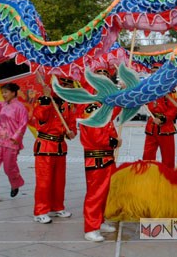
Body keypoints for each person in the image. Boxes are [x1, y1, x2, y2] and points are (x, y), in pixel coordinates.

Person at [32, 78, 78, 224]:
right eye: (63, 85)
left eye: (67, 86)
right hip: (45, 146)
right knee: (44, 181)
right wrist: (46, 97)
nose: (66, 88)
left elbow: (71, 124)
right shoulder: (43, 101)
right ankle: (40, 211)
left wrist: (71, 133)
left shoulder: (66, 105)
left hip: (60, 147)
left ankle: (57, 206)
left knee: (59, 181)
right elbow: (40, 116)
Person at [80, 101, 121, 242]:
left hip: (106, 157)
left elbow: (112, 113)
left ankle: (99, 221)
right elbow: (96, 135)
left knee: (105, 193)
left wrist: (124, 96)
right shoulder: (92, 108)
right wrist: (114, 142)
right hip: (97, 158)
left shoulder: (102, 107)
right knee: (95, 194)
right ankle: (91, 228)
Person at [143, 64, 177, 169]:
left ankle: (168, 180)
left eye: (156, 72)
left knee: (168, 158)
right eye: (152, 72)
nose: (154, 74)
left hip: (165, 127)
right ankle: (147, 178)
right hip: (151, 125)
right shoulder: (148, 89)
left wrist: (163, 118)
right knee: (147, 156)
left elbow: (173, 109)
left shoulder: (169, 89)